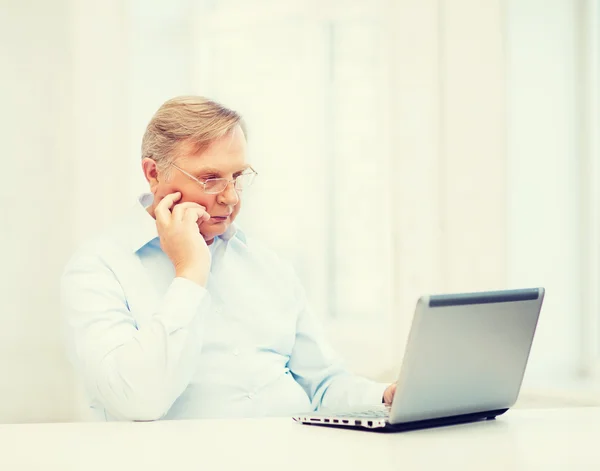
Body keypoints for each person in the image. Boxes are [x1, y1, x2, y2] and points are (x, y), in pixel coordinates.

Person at [61, 96, 396, 421]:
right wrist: (190, 273)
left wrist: (385, 396)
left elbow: (323, 386)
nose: (231, 197)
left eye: (237, 177)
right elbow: (137, 401)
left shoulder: (266, 263)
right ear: (153, 173)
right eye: (210, 179)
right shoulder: (97, 269)